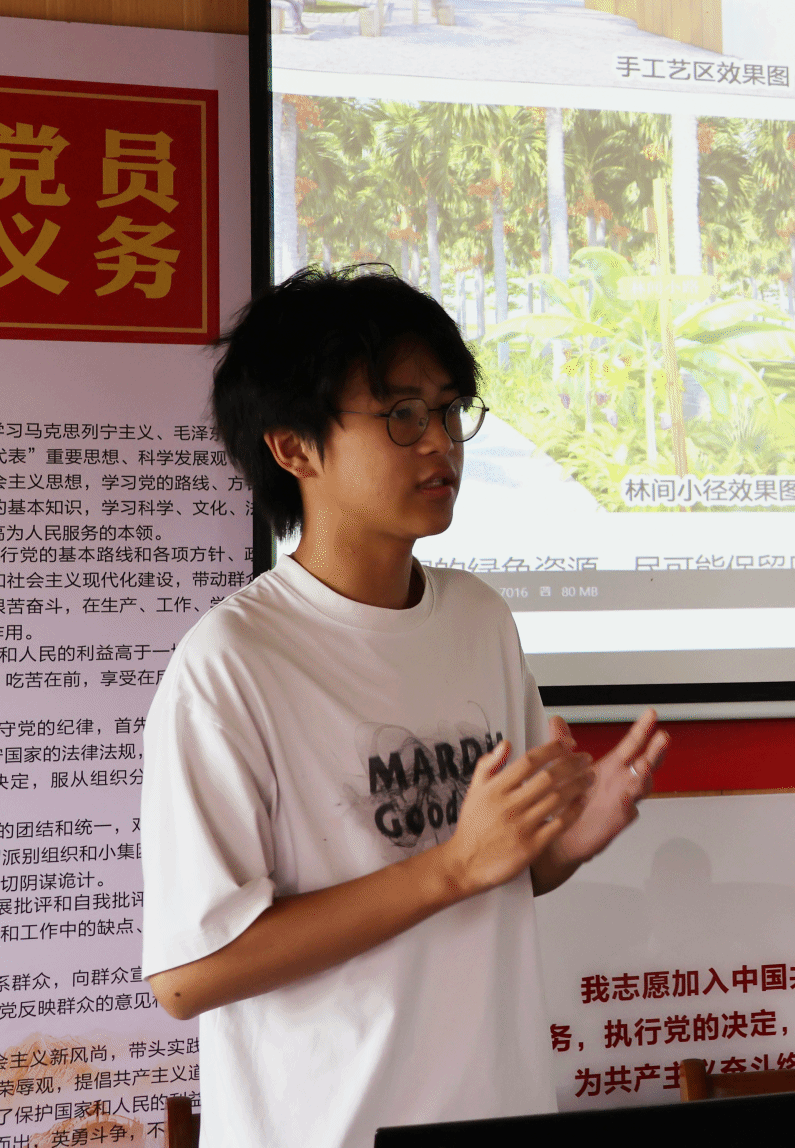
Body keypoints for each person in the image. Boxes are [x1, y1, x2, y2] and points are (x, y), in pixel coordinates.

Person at [140, 269, 670, 1148]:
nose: (440, 443)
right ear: (294, 447)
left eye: (451, 410)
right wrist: (450, 867)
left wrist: (563, 842)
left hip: (497, 1111)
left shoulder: (478, 618)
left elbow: (501, 870)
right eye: (401, 415)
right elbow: (190, 974)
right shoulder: (231, 663)